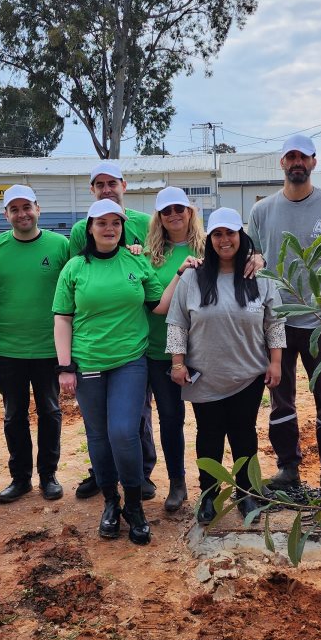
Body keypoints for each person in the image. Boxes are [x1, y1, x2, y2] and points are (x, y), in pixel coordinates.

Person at [53, 199, 197, 545]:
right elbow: (62, 317)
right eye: (101, 223)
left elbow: (159, 306)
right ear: (90, 228)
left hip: (130, 362)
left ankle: (134, 506)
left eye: (115, 223)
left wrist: (179, 275)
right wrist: (64, 367)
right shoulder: (74, 268)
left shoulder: (135, 261)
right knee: (98, 436)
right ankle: (109, 503)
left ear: (121, 227)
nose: (109, 229)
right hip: (88, 364)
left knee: (123, 432)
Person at [167, 208, 284, 524]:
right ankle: (209, 496)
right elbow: (177, 323)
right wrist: (177, 363)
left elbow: (274, 322)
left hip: (247, 373)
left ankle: (247, 494)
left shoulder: (258, 278)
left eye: (230, 233)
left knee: (244, 434)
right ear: (210, 239)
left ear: (240, 236)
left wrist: (275, 362)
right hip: (205, 375)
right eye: (217, 234)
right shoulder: (193, 276)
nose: (224, 240)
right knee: (209, 436)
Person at [246, 134, 321, 496]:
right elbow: (253, 261)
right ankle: (288, 469)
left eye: (302, 157)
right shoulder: (261, 212)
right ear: (282, 163)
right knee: (281, 399)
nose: (296, 163)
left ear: (314, 162)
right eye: (290, 157)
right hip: (277, 322)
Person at [68, 162, 158, 501]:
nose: (107, 189)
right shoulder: (81, 230)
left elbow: (157, 262)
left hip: (136, 336)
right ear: (92, 191)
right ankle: (102, 474)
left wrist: (140, 252)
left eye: (112, 183)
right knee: (100, 422)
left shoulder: (145, 224)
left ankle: (141, 474)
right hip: (94, 341)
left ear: (124, 184)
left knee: (136, 413)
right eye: (99, 184)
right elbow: (84, 270)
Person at [0, 184, 71, 503]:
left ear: (38, 209)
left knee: (50, 410)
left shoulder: (60, 246)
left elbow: (80, 284)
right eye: (14, 209)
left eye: (27, 207)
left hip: (49, 347)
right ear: (6, 214)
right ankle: (20, 478)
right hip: (7, 349)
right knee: (13, 414)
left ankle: (48, 475)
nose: (22, 214)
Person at [144, 186, 206, 513]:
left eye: (179, 209)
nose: (173, 216)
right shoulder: (150, 256)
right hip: (159, 352)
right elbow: (153, 305)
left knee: (209, 420)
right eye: (166, 211)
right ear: (159, 217)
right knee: (170, 418)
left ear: (189, 211)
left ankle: (210, 485)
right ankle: (177, 482)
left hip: (202, 351)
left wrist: (256, 255)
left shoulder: (209, 247)